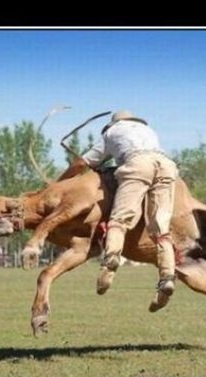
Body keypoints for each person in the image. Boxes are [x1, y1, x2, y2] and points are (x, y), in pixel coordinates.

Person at [58, 110, 178, 311]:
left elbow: (81, 164)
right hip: (167, 166)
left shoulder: (111, 132)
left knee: (119, 221)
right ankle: (167, 277)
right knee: (160, 228)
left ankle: (111, 261)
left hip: (137, 164)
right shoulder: (148, 130)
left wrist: (59, 184)